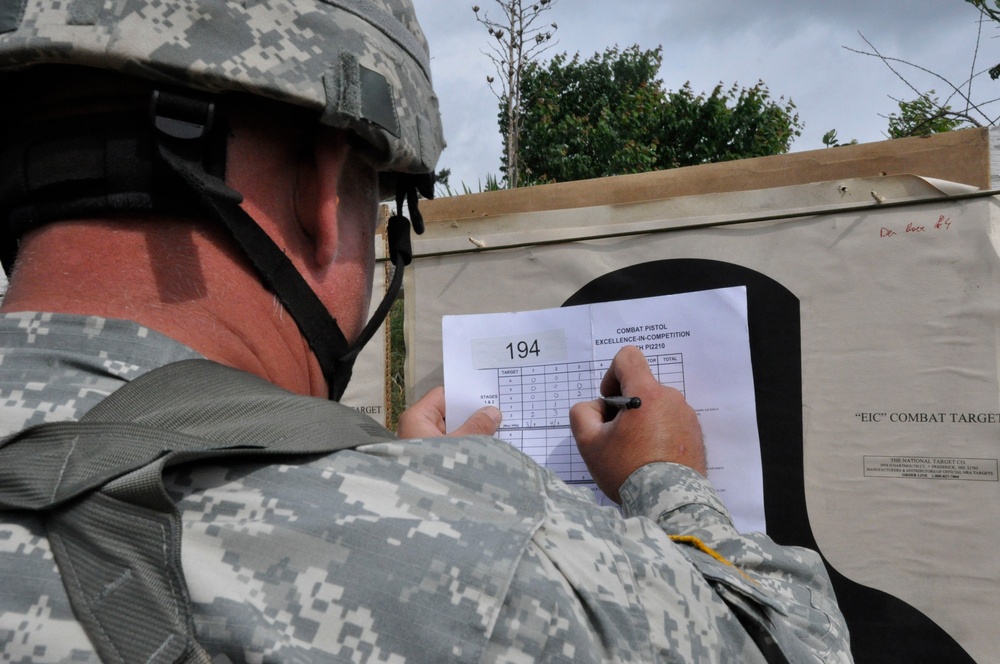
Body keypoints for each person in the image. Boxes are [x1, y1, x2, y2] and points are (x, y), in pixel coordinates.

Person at [0, 0, 852, 662]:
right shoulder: (491, 559)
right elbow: (798, 647)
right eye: (383, 204)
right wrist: (669, 482)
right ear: (327, 188)